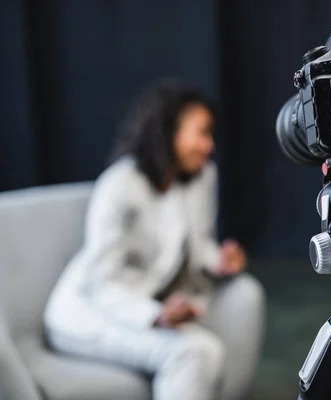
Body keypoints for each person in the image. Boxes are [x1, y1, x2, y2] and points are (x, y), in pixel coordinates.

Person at [44, 80, 265, 400]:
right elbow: (101, 281)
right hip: (85, 311)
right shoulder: (119, 185)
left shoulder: (201, 177)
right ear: (167, 131)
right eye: (202, 133)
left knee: (206, 351)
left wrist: (221, 261)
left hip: (144, 302)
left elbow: (199, 244)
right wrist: (153, 314)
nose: (209, 145)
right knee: (194, 351)